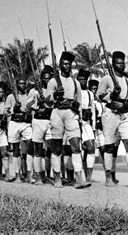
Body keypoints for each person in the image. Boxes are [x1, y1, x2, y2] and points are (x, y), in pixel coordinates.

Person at [47, 51, 90, 189]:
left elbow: (78, 103)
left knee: (76, 146)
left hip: (71, 114)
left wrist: (78, 115)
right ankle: (57, 178)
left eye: (69, 64)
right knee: (57, 148)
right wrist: (55, 94)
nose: (67, 66)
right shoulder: (53, 81)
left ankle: (79, 179)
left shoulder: (75, 82)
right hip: (57, 113)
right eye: (64, 64)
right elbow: (47, 101)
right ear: (59, 65)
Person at [97, 51, 128, 187]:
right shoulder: (107, 79)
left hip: (125, 115)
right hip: (111, 114)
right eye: (118, 63)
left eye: (122, 63)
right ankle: (109, 177)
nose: (121, 65)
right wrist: (111, 95)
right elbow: (99, 95)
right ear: (113, 64)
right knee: (109, 146)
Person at [27, 65, 54, 185]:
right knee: (38, 150)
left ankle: (47, 175)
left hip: (50, 121)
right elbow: (28, 105)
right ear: (42, 78)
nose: (47, 80)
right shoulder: (34, 91)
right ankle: (38, 177)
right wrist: (37, 102)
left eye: (49, 78)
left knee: (52, 149)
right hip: (38, 121)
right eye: (45, 78)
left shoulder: (53, 89)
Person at [6, 75, 33, 183]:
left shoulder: (29, 95)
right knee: (16, 150)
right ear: (16, 85)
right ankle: (17, 175)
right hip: (14, 122)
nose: (22, 85)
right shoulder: (11, 96)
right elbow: (6, 112)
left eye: (24, 83)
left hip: (26, 123)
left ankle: (29, 175)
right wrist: (14, 108)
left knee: (30, 147)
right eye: (20, 83)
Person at [76, 69, 97, 183]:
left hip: (87, 123)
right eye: (79, 80)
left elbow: (92, 111)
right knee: (76, 150)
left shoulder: (90, 94)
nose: (82, 82)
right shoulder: (75, 92)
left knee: (91, 148)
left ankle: (89, 176)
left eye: (84, 80)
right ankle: (78, 176)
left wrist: (93, 128)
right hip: (76, 123)